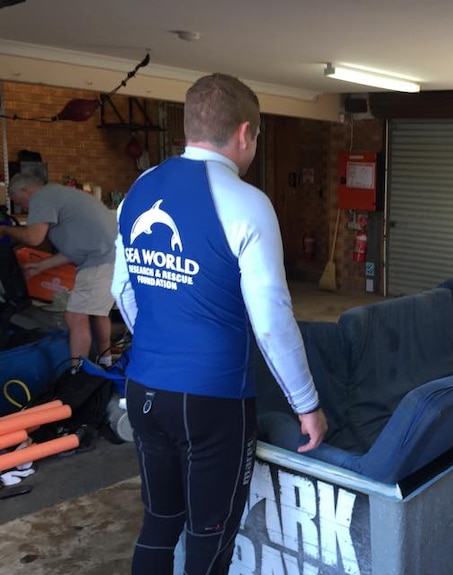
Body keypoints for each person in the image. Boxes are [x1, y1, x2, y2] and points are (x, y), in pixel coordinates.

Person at [111, 73, 328, 575]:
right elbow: (271, 322)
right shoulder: (248, 203)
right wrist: (307, 405)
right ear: (245, 133)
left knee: (159, 526)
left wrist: (164, 339)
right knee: (209, 539)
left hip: (144, 387)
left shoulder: (140, 189)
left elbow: (120, 290)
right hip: (212, 403)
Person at [0, 173, 117, 367]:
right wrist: (41, 266)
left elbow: (33, 237)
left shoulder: (42, 197)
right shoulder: (61, 194)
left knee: (75, 315)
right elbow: (76, 249)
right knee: (97, 312)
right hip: (109, 257)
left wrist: (4, 230)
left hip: (99, 261)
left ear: (25, 191)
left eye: (19, 202)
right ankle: (105, 362)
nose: (23, 208)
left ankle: (77, 372)